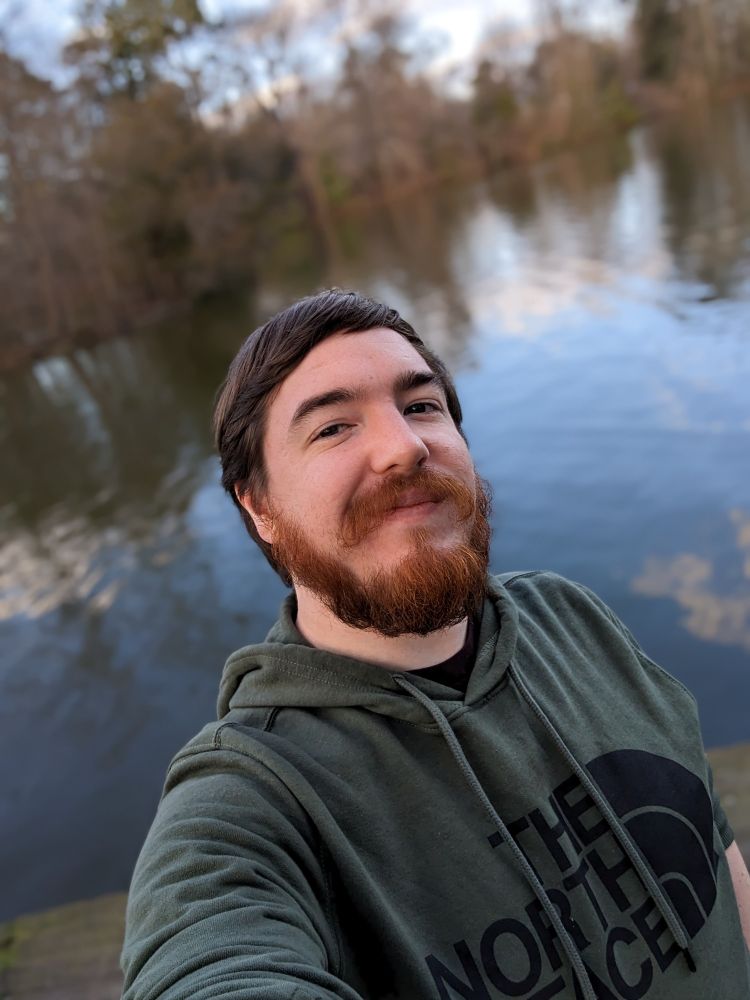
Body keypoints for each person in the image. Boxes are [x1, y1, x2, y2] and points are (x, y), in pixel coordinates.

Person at [121, 289, 750, 1000]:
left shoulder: (574, 620)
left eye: (421, 406)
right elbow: (206, 960)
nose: (404, 447)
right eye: (333, 427)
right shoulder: (253, 799)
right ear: (259, 506)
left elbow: (717, 858)